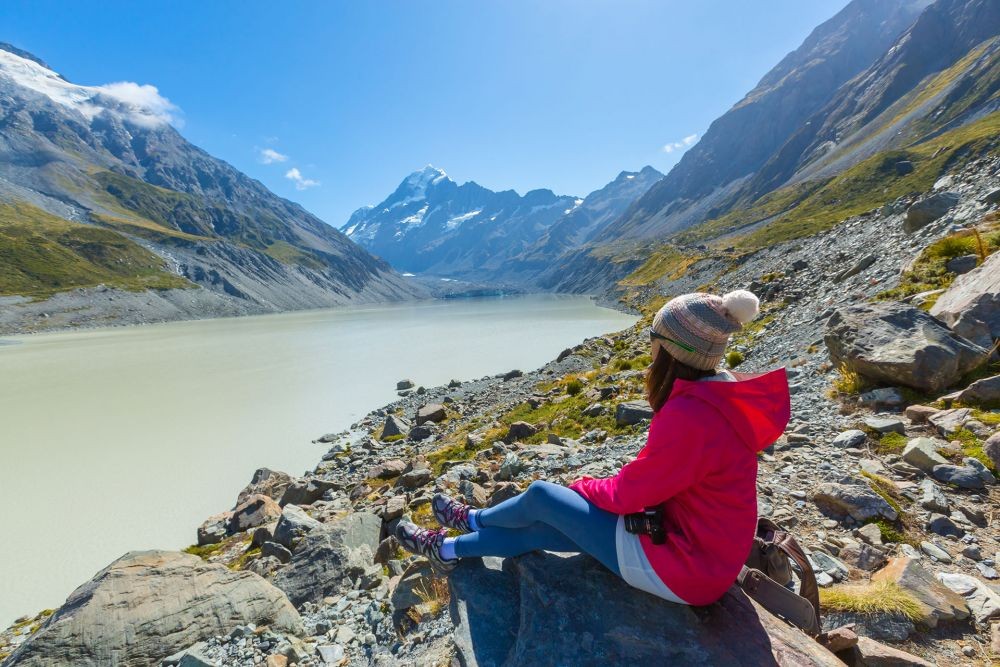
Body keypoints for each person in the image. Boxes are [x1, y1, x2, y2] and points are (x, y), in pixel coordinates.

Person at [394, 290, 790, 606]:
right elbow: (659, 483)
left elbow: (627, 494)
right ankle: (448, 548)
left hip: (685, 567)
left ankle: (473, 519)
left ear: (670, 348)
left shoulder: (690, 416)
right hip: (695, 548)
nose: (649, 347)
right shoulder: (718, 395)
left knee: (541, 496)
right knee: (539, 528)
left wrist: (582, 487)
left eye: (654, 338)